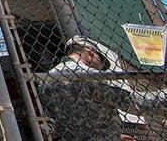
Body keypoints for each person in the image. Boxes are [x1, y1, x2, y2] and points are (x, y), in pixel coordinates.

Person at [37, 36, 167, 140]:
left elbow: (55, 124)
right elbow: (136, 103)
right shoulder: (90, 75)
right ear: (90, 52)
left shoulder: (46, 80)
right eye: (101, 60)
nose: (101, 66)